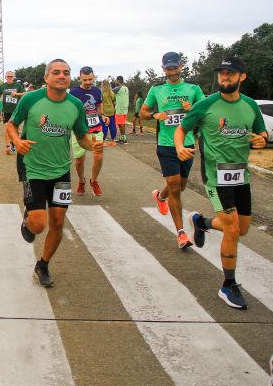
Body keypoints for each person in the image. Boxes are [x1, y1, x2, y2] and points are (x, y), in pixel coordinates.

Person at [175, 56, 267, 309]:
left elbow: (261, 132)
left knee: (243, 228)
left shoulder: (249, 105)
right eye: (222, 73)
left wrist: (261, 139)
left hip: (241, 176)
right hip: (216, 177)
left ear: (242, 77)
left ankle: (201, 222)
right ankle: (228, 285)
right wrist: (181, 146)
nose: (224, 77)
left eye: (230, 73)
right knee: (233, 228)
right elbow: (181, 128)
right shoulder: (206, 105)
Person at [6, 58, 102, 287]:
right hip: (33, 168)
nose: (62, 76)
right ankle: (28, 220)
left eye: (66, 73)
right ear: (46, 78)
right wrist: (17, 141)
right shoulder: (31, 99)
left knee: (58, 222)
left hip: (61, 171)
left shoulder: (75, 105)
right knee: (38, 224)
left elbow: (82, 138)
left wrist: (93, 146)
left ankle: (43, 264)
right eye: (56, 72)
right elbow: (11, 124)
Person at [140, 51, 205, 249]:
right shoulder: (157, 89)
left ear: (181, 66)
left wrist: (192, 107)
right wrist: (155, 115)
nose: (172, 71)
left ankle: (160, 196)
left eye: (175, 67)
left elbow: (204, 112)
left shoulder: (193, 88)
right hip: (166, 144)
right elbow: (142, 113)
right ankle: (181, 234)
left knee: (180, 185)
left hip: (186, 145)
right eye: (168, 68)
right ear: (163, 69)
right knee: (175, 186)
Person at [69, 66, 108, 196]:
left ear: (93, 77)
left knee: (98, 155)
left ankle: (94, 181)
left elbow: (99, 106)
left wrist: (103, 116)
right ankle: (81, 181)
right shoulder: (73, 92)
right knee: (79, 160)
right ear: (80, 77)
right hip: (80, 130)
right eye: (85, 79)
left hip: (96, 128)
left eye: (90, 79)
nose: (87, 82)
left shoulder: (97, 91)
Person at [0, 70, 26, 154]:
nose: (10, 78)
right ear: (5, 77)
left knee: (16, 128)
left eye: (11, 76)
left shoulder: (18, 85)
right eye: (8, 76)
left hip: (16, 110)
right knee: (7, 128)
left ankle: (14, 144)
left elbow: (24, 94)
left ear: (13, 77)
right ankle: (8, 146)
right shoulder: (3, 86)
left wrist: (16, 94)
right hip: (6, 110)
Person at [114, 76, 130, 144]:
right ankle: (122, 138)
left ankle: (124, 139)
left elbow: (109, 91)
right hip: (125, 108)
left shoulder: (118, 88)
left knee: (120, 124)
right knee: (122, 124)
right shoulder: (126, 88)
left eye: (116, 80)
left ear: (118, 80)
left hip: (120, 109)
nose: (115, 81)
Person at [100, 80, 116, 145]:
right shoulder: (112, 93)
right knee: (112, 125)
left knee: (105, 126)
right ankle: (113, 140)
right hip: (111, 110)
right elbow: (114, 102)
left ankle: (103, 141)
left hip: (104, 111)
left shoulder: (101, 93)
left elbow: (100, 102)